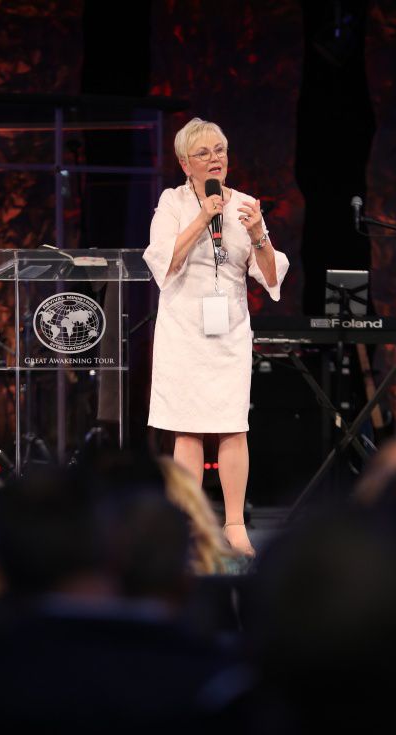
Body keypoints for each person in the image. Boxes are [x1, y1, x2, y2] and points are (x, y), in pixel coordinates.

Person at [144, 117, 289, 557]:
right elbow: (164, 263)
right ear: (185, 163)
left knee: (232, 428)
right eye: (203, 153)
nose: (214, 159)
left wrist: (259, 233)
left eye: (220, 150)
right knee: (187, 432)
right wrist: (202, 217)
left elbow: (270, 278)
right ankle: (190, 526)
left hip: (228, 332)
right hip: (184, 331)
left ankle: (234, 525)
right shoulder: (172, 203)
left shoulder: (244, 204)